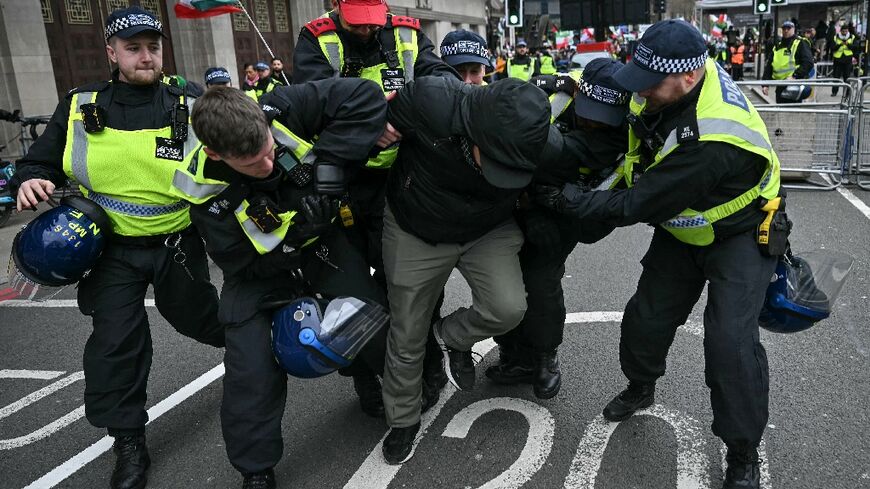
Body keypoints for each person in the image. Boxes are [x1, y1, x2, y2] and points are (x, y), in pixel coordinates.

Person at [535, 20, 783, 489]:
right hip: (684, 228)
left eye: (649, 85)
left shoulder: (711, 138)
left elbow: (639, 202)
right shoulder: (663, 80)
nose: (639, 91)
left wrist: (569, 201)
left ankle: (743, 453)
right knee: (646, 318)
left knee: (729, 345)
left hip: (740, 234)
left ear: (688, 79)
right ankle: (641, 386)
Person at [9, 7, 225, 489]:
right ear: (112, 53)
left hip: (177, 241)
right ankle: (128, 441)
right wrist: (31, 181)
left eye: (153, 46)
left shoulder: (190, 100)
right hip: (109, 249)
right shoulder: (79, 104)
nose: (145, 56)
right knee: (115, 344)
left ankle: (250, 350)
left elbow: (235, 150)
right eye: (133, 48)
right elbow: (38, 161)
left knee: (199, 319)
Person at [174, 81, 386, 489]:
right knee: (250, 369)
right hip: (261, 270)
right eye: (254, 164)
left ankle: (369, 378)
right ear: (217, 154)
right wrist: (295, 234)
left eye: (270, 151)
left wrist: (329, 164)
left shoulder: (283, 111)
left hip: (321, 243)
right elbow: (239, 262)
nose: (269, 166)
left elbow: (363, 95)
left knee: (365, 313)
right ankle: (255, 468)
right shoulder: (202, 189)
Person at [380, 76, 560, 465]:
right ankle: (403, 419)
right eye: (496, 162)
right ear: (474, 131)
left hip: (486, 228)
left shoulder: (543, 142)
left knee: (508, 307)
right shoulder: (430, 100)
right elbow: (373, 119)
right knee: (407, 329)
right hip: (417, 225)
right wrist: (375, 128)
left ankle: (453, 337)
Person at [293, 0, 456, 412]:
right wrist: (369, 125)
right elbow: (313, 109)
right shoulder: (316, 40)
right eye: (357, 22)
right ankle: (365, 374)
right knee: (351, 294)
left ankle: (429, 361)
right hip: (343, 183)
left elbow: (441, 84)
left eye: (373, 21)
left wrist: (401, 114)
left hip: (404, 177)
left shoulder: (407, 33)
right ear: (335, 6)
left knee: (411, 282)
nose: (366, 30)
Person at [488, 60, 629, 399]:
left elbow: (602, 209)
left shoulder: (624, 136)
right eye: (590, 110)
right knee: (499, 282)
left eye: (603, 116)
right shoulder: (555, 98)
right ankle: (513, 354)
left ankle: (542, 359)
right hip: (514, 198)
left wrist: (556, 205)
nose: (594, 121)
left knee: (541, 280)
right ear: (580, 92)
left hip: (565, 212)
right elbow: (518, 145)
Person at [763, 20, 813, 103]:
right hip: (780, 85)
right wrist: (765, 84)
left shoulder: (800, 43)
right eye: (784, 28)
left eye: (788, 28)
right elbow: (769, 66)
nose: (786, 30)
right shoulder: (777, 46)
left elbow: (808, 63)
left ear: (793, 29)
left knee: (792, 112)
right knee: (781, 112)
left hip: (794, 85)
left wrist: (795, 76)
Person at [830, 24, 856, 95]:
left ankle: (847, 93)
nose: (845, 33)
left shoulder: (852, 37)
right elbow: (832, 48)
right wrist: (840, 44)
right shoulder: (836, 37)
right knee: (836, 77)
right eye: (843, 31)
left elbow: (855, 47)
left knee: (847, 76)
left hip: (847, 59)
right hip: (838, 59)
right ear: (840, 31)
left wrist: (848, 44)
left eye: (846, 31)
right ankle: (834, 92)